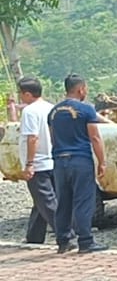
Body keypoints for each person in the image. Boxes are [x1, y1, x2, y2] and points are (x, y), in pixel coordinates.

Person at [49, 74, 109, 254]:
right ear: (80, 89)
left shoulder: (53, 112)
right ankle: (85, 241)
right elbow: (95, 137)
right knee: (83, 200)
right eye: (86, 88)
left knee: (63, 201)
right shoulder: (86, 109)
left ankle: (63, 241)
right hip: (80, 159)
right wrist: (102, 161)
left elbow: (53, 139)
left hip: (60, 160)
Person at [17, 77, 63, 245]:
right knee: (40, 201)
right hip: (52, 160)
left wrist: (29, 163)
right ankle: (34, 237)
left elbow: (32, 138)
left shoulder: (30, 111)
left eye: (21, 94)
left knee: (47, 202)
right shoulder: (52, 108)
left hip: (38, 163)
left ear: (28, 94)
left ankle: (66, 235)